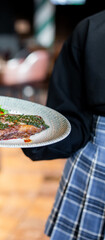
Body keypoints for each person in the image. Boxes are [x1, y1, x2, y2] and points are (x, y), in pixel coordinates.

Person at [22, 9, 105, 240]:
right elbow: (70, 123)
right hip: (96, 167)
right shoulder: (89, 31)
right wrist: (26, 134)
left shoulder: (89, 29)